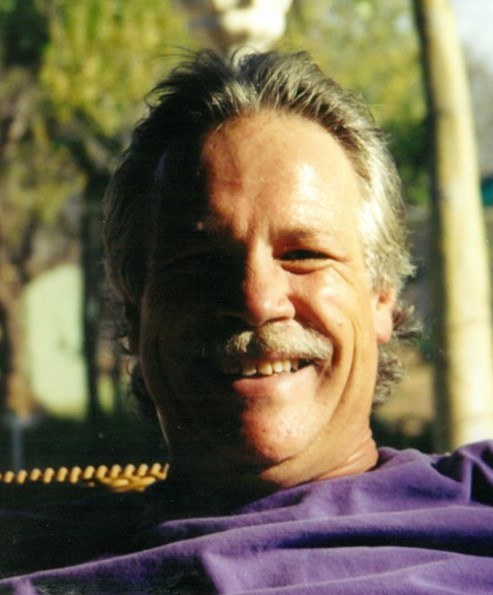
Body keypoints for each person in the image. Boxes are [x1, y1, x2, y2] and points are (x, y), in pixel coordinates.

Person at [1, 49, 493, 592]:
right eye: (200, 261)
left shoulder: (479, 502)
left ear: (382, 297)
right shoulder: (36, 560)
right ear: (135, 313)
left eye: (303, 254)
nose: (257, 300)